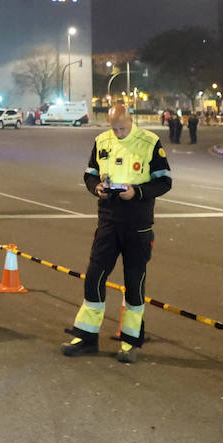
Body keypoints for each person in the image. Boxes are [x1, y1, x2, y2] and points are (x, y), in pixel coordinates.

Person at [62, 104, 172, 364]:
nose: (118, 133)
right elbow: (89, 174)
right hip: (108, 222)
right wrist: (96, 187)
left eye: (122, 128)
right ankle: (86, 336)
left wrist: (137, 192)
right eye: (114, 128)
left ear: (130, 121)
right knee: (94, 277)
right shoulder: (102, 141)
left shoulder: (150, 142)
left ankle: (131, 341)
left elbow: (165, 181)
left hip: (138, 223)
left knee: (134, 284)